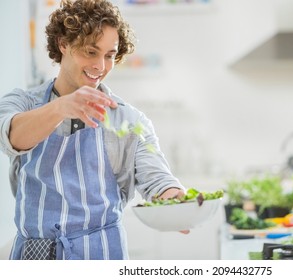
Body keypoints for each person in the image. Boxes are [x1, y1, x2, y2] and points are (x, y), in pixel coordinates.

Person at [0, 0, 187, 260]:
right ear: (63, 44)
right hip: (35, 257)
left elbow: (157, 179)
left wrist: (175, 199)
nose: (101, 66)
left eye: (110, 55)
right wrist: (61, 108)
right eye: (90, 51)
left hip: (101, 256)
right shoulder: (22, 102)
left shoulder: (129, 120)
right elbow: (11, 137)